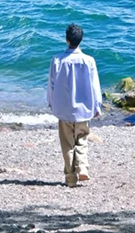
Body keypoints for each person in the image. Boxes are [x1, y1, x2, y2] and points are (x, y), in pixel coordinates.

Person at [47, 23, 102, 187]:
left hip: (64, 108)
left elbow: (51, 85)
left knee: (67, 143)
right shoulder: (89, 61)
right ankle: (83, 167)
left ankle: (71, 178)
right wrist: (97, 106)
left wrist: (51, 103)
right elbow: (95, 86)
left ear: (66, 40)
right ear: (81, 40)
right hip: (84, 108)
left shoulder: (57, 60)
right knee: (82, 138)